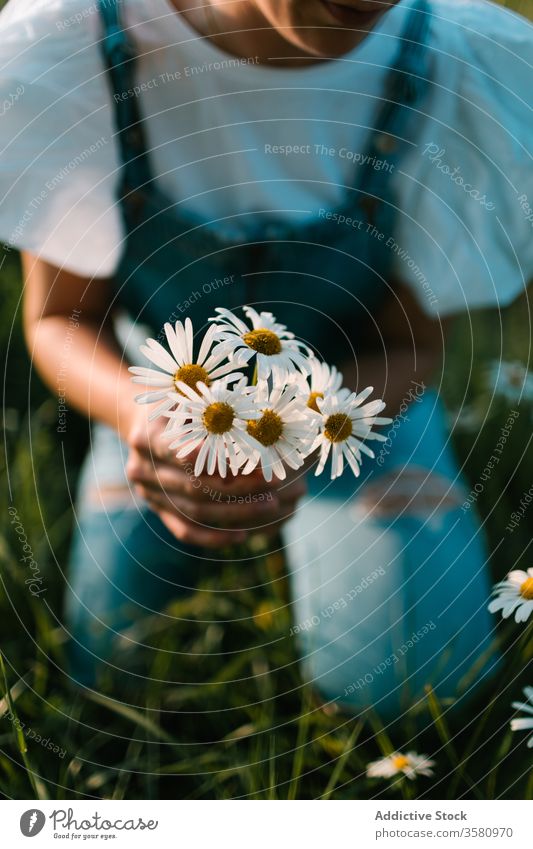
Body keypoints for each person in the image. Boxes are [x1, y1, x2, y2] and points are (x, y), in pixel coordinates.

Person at [1, 0, 531, 720]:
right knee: (112, 670)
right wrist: (142, 417)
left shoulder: (452, 62)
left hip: (358, 400)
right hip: (158, 390)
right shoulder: (75, 42)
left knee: (420, 686)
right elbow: (64, 316)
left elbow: (407, 340)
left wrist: (315, 427)